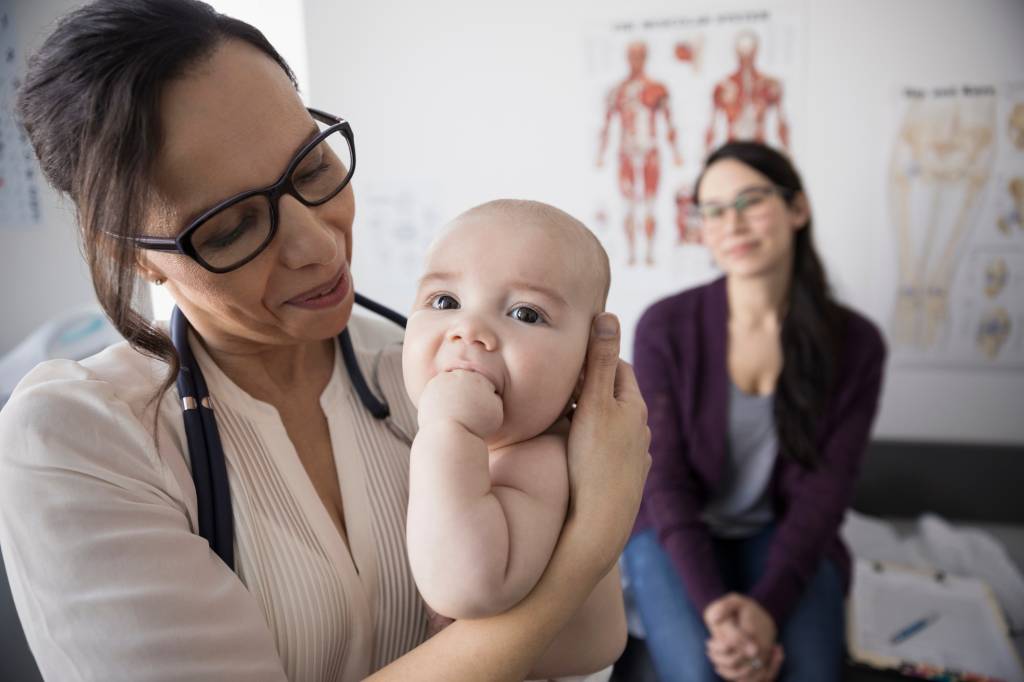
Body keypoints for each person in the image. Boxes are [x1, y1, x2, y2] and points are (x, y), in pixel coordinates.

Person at [0, 1, 651, 680]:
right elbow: (561, 587)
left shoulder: (428, 366)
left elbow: (583, 650)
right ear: (132, 255)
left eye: (311, 168)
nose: (317, 245)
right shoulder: (79, 440)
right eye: (232, 227)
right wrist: (594, 535)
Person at [624, 141, 886, 681]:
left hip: (784, 533)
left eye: (750, 201)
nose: (732, 224)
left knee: (811, 674)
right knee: (702, 673)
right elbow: (663, 480)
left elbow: (825, 494)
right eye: (714, 210)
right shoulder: (663, 328)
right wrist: (718, 612)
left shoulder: (856, 344)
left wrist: (768, 609)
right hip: (674, 532)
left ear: (797, 208)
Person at [402, 200, 621, 681]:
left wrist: (448, 429)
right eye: (445, 302)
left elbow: (466, 587)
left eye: (525, 313)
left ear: (584, 370)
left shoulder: (545, 461)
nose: (469, 330)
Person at [596, 41, 682, 267]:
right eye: (633, 55)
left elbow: (669, 122)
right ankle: (632, 254)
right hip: (626, 152)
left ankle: (650, 253)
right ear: (627, 58)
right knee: (629, 205)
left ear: (646, 57)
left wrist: (676, 153)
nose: (636, 60)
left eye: (640, 55)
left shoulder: (657, 89)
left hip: (650, 151)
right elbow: (606, 125)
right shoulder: (617, 91)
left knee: (650, 204)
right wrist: (600, 154)